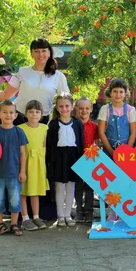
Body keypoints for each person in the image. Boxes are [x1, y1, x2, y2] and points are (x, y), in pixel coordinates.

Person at [0, 38, 70, 125]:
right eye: (36, 51)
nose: (40, 54)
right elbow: (6, 95)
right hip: (20, 118)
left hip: (42, 120)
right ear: (31, 54)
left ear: (49, 53)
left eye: (44, 51)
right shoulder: (21, 71)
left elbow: (66, 101)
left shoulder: (58, 76)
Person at [98, 78, 136, 221]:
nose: (118, 95)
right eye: (115, 91)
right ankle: (113, 211)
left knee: (125, 181)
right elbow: (101, 132)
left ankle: (124, 210)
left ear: (125, 93)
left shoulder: (130, 110)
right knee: (111, 182)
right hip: (110, 151)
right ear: (110, 93)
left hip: (126, 152)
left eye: (121, 91)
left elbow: (133, 131)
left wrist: (127, 151)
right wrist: (111, 151)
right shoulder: (105, 109)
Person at [0, 100, 28, 236]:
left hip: (14, 174)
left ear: (15, 115)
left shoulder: (19, 132)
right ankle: (0, 223)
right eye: (5, 112)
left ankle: (14, 224)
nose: (8, 115)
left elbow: (23, 153)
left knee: (15, 199)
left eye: (11, 112)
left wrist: (22, 171)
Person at [46, 93, 84, 227]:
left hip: (73, 157)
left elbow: (81, 143)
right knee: (59, 187)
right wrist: (49, 162)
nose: (64, 109)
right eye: (61, 106)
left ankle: (68, 214)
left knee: (70, 187)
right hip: (58, 158)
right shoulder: (53, 124)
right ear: (56, 108)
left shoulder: (78, 123)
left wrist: (81, 161)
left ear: (72, 107)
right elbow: (50, 145)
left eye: (67, 106)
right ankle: (60, 215)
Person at [18, 100, 49, 231]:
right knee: (23, 191)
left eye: (37, 112)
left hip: (38, 163)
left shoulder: (45, 128)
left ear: (41, 115)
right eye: (31, 112)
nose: (34, 114)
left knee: (35, 190)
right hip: (25, 162)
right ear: (26, 114)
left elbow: (45, 145)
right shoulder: (20, 128)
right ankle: (25, 218)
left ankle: (36, 216)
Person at [74, 97, 99, 223]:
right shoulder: (72, 124)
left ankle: (89, 211)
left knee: (90, 186)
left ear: (91, 109)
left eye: (87, 108)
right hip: (76, 158)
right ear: (76, 109)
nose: (84, 111)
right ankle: (79, 210)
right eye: (81, 108)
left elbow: (97, 142)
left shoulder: (94, 126)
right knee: (77, 185)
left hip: (90, 159)